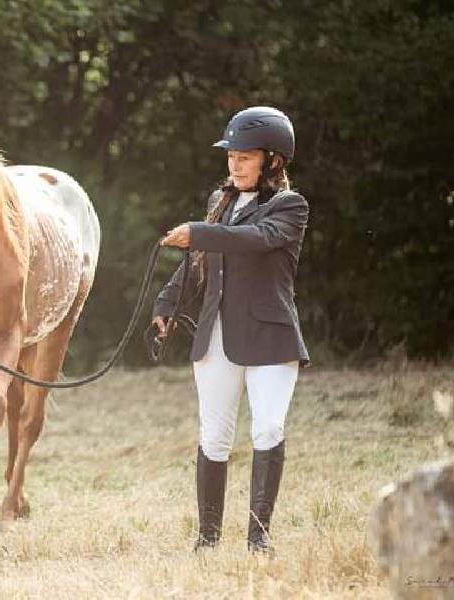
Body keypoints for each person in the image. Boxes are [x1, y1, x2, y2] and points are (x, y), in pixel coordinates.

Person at [152, 106, 309, 555]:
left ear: (273, 160)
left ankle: (258, 538)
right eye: (231, 156)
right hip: (215, 337)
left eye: (245, 156)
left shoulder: (290, 207)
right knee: (214, 436)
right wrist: (165, 304)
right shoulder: (219, 204)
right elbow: (198, 267)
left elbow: (256, 240)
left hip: (270, 338)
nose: (234, 163)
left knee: (267, 429)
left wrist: (200, 232)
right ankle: (208, 539)